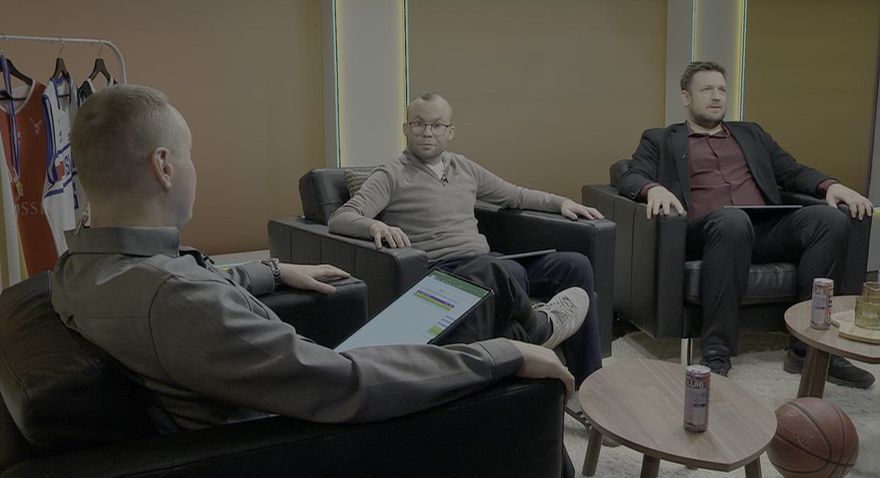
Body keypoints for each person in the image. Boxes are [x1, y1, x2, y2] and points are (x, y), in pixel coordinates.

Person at [50, 85, 576, 435]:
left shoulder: (82, 266)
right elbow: (345, 384)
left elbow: (190, 283)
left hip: (295, 385)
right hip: (318, 426)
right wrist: (497, 357)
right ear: (164, 166)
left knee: (473, 290)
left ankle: (531, 330)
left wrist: (275, 269)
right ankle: (531, 339)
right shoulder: (175, 299)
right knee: (496, 331)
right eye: (190, 155)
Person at [327, 93, 606, 414]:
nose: (427, 132)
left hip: (489, 262)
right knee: (504, 271)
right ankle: (539, 330)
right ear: (406, 128)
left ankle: (588, 386)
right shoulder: (391, 174)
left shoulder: (464, 167)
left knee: (575, 265)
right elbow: (341, 217)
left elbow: (514, 195)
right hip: (445, 272)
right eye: (418, 124)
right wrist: (374, 226)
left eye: (436, 125)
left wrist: (561, 203)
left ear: (450, 131)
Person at [619, 61, 874, 387]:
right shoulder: (661, 139)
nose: (716, 97)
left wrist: (831, 186)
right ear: (686, 97)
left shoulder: (751, 134)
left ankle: (809, 348)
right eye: (707, 90)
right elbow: (630, 176)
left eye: (721, 90)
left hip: (764, 229)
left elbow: (792, 171)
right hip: (708, 232)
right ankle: (716, 352)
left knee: (830, 220)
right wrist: (652, 188)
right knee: (732, 219)